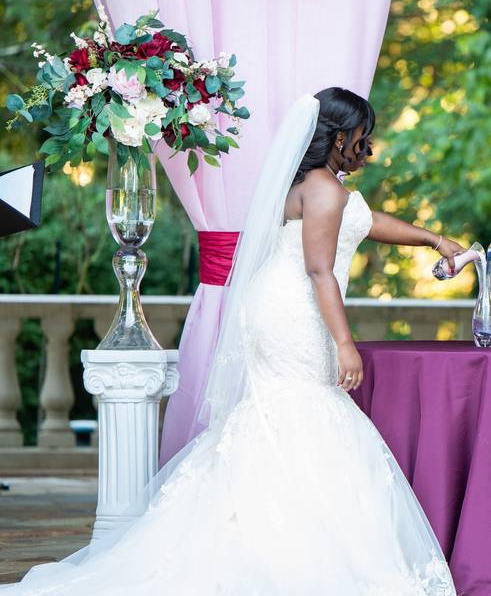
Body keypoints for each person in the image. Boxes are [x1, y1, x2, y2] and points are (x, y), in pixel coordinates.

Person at [1, 89, 459, 595]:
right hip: (296, 311)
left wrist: (434, 240)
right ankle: (287, 551)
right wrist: (346, 343)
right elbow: (319, 270)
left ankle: (266, 533)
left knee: (281, 415)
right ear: (340, 135)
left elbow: (366, 223)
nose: (365, 143)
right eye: (361, 134)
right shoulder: (325, 189)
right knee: (304, 411)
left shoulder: (316, 183)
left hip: (282, 306)